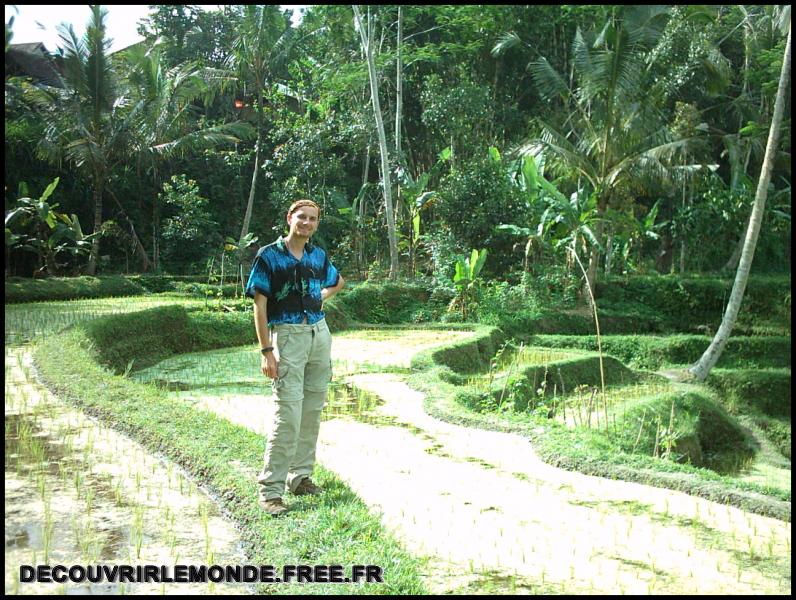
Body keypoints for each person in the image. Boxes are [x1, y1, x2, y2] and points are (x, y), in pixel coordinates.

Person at [245, 199, 345, 516]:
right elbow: (259, 306)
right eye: (301, 217)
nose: (307, 223)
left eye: (313, 219)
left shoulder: (318, 255)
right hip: (287, 336)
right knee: (288, 415)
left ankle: (300, 477)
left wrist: (319, 297)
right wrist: (266, 351)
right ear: (289, 218)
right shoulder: (269, 256)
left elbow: (337, 281)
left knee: (312, 410)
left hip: (319, 333)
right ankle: (271, 491)